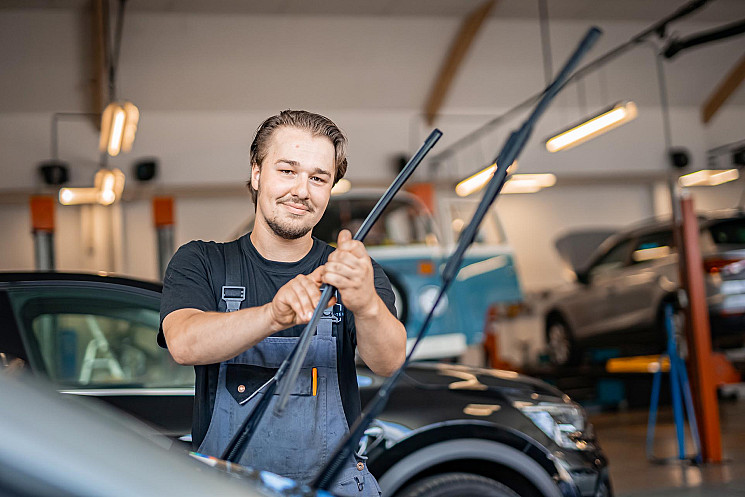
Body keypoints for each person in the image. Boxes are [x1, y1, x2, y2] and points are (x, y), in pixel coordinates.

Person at [159, 110, 406, 496]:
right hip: (227, 487)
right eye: (287, 171)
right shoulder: (203, 262)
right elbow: (184, 343)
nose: (302, 191)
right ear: (257, 173)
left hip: (332, 486)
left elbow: (389, 362)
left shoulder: (353, 270)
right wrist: (272, 316)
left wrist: (367, 304)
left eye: (318, 178)